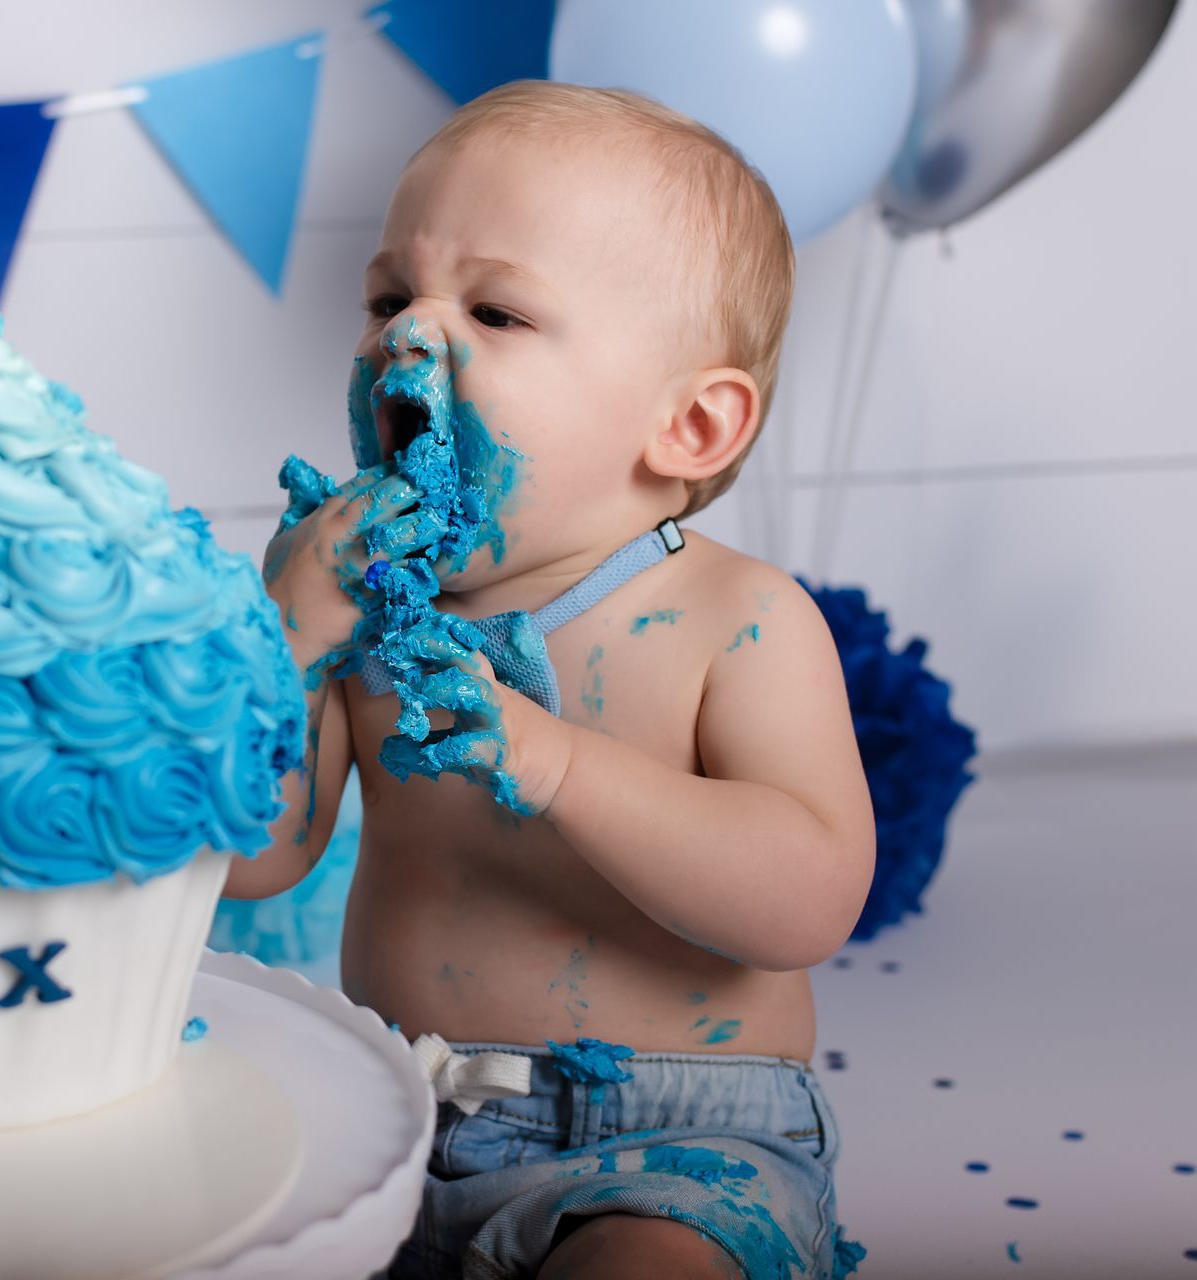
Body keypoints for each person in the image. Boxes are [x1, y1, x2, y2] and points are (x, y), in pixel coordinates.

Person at [230, 81, 875, 1280]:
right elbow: (255, 855)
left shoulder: (736, 619)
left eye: (497, 310)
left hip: (673, 1141)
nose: (405, 337)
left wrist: (560, 758)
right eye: (387, 297)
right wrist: (286, 634)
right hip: (393, 1120)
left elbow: (807, 901)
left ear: (689, 426)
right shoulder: (366, 615)